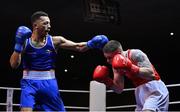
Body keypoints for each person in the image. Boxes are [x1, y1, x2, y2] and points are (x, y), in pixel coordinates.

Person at [9, 11, 109, 111]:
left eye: (49, 23)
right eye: (45, 23)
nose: (49, 26)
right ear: (35, 25)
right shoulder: (25, 42)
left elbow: (78, 47)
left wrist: (91, 43)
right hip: (29, 83)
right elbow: (14, 64)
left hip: (49, 83)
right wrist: (18, 46)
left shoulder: (55, 41)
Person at [93, 40, 169, 111]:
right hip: (139, 92)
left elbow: (151, 74)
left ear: (118, 53)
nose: (108, 61)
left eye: (109, 58)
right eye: (106, 58)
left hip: (154, 89)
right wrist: (106, 81)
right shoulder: (115, 66)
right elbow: (119, 89)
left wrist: (130, 67)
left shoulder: (135, 54)